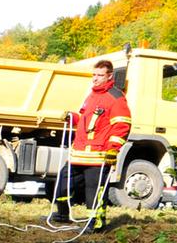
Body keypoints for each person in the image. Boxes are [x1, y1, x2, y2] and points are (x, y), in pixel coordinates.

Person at [53, 60, 131, 230]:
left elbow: (122, 125)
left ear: (109, 76)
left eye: (99, 75)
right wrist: (71, 117)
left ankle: (95, 224)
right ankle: (62, 214)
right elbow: (85, 121)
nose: (95, 79)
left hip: (98, 155)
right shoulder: (91, 95)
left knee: (93, 192)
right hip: (79, 153)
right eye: (94, 75)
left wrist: (113, 149)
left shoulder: (116, 98)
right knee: (62, 184)